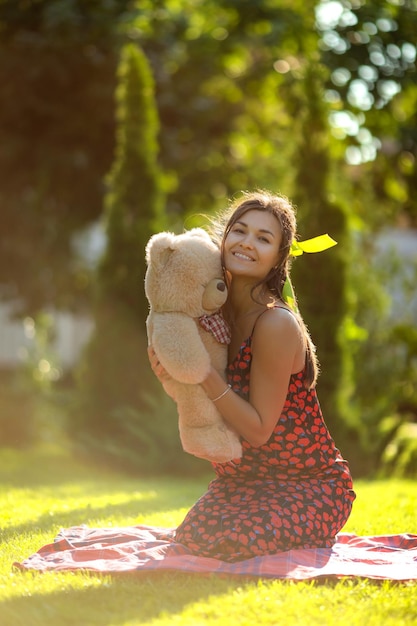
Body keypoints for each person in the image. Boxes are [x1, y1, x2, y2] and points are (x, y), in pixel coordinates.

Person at [148, 189, 356, 563]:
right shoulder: (216, 318)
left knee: (236, 543)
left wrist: (204, 374)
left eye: (263, 238)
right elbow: (212, 407)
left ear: (279, 257)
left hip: (309, 485)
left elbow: (259, 429)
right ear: (224, 238)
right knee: (195, 539)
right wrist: (174, 377)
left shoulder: (275, 323)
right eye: (239, 231)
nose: (247, 243)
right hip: (244, 480)